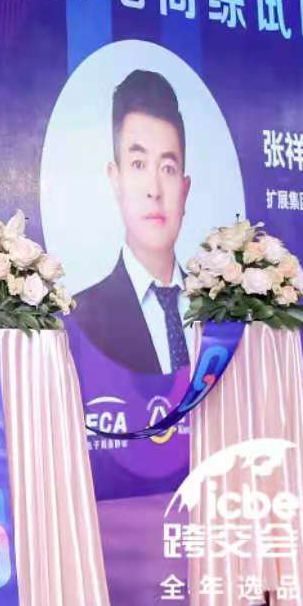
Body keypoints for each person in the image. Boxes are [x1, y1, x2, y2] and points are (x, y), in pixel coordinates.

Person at [72, 69, 193, 376]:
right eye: (138, 164)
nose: (154, 189)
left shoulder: (222, 314)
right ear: (115, 179)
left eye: (168, 168)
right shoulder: (80, 317)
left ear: (185, 188)